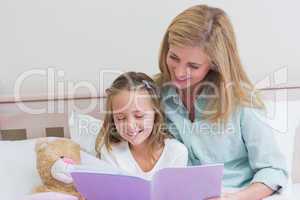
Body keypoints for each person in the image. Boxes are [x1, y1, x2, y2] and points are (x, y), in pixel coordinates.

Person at [156, 4, 288, 199]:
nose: (179, 72)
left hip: (233, 193)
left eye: (193, 65)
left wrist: (235, 198)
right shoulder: (154, 93)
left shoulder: (241, 101)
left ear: (215, 64)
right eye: (174, 57)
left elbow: (274, 170)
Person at [95, 72, 188, 180]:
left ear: (156, 114)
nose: (130, 125)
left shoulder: (176, 152)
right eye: (120, 118)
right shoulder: (111, 152)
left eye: (139, 116)